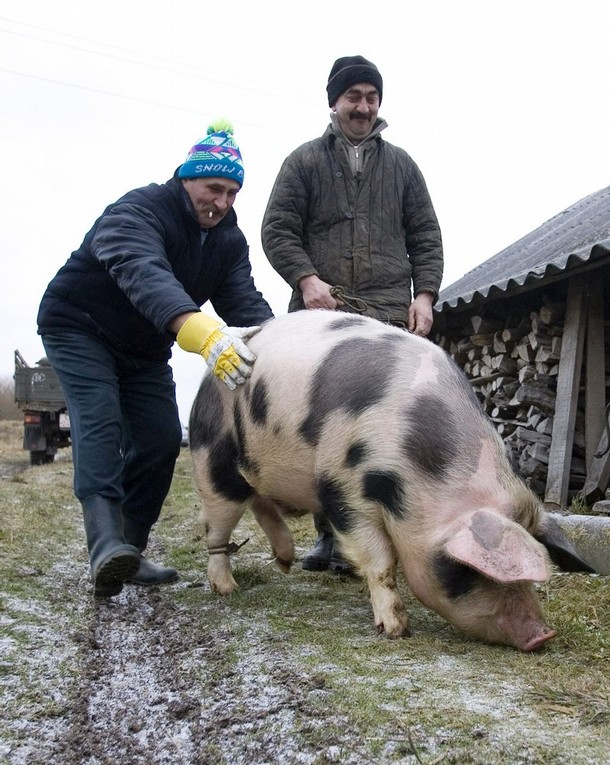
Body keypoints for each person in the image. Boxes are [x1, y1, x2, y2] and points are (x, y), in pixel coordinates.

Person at [37, 121, 274, 598]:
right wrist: (200, 332)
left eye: (232, 192)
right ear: (187, 178)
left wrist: (287, 341)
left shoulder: (228, 241)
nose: (222, 202)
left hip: (144, 346)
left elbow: (245, 304)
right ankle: (104, 542)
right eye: (213, 188)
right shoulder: (138, 210)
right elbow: (142, 272)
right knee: (99, 420)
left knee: (161, 438)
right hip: (80, 325)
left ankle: (128, 551)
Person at [261, 55, 444, 574]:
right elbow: (277, 229)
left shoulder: (403, 166)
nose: (363, 107)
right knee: (326, 427)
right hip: (321, 315)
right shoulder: (303, 163)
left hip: (388, 314)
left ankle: (397, 535)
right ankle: (335, 537)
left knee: (391, 426)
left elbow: (426, 236)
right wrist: (306, 280)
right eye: (353, 97)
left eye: (371, 97)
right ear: (334, 102)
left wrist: (425, 294)